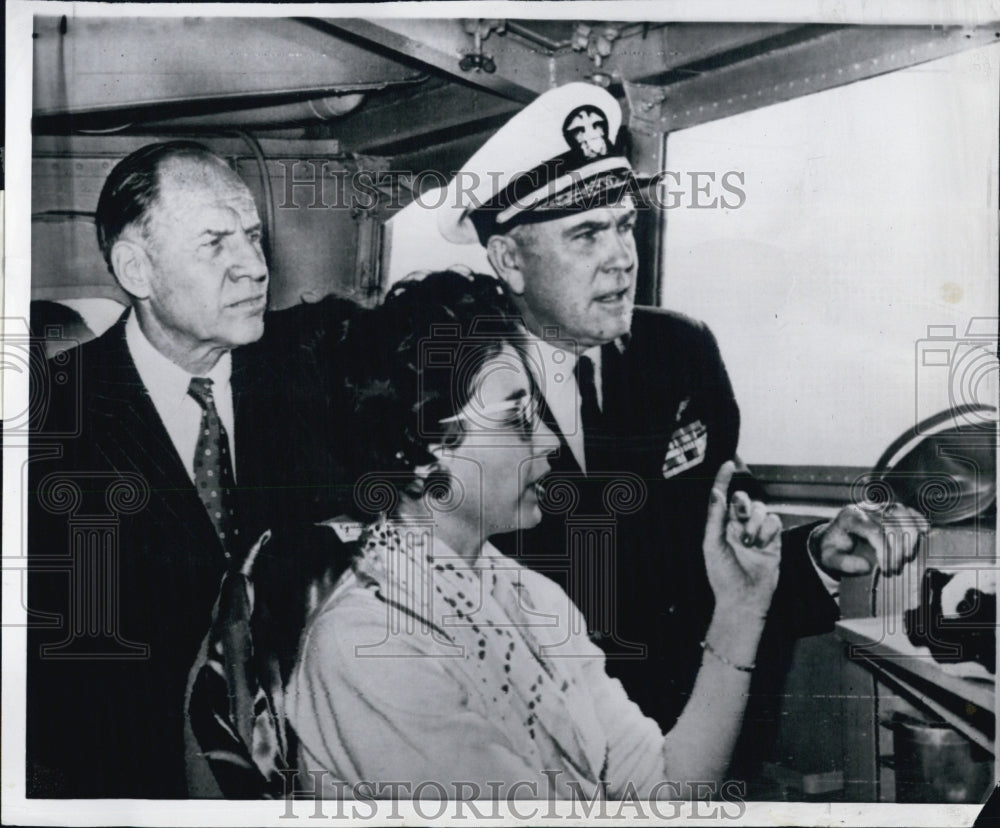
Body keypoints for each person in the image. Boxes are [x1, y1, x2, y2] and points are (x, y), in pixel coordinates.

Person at [398, 83, 928, 744]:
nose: (621, 258)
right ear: (509, 259)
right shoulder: (455, 386)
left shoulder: (680, 352)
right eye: (587, 234)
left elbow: (710, 560)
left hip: (692, 730)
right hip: (536, 745)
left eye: (624, 226)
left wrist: (817, 552)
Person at [286, 270, 784, 799]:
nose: (547, 439)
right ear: (419, 451)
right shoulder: (369, 645)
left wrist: (740, 608)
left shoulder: (532, 597)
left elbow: (665, 791)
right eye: (518, 418)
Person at [27, 141, 356, 797]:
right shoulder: (48, 425)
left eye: (253, 238)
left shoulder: (317, 384)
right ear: (137, 269)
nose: (255, 268)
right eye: (215, 244)